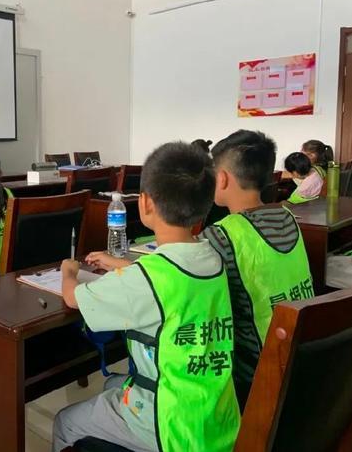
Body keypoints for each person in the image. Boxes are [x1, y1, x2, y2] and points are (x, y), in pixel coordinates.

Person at [53, 142, 239, 452]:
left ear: (145, 203)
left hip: (168, 425)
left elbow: (73, 299)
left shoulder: (148, 278)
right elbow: (170, 282)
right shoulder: (212, 257)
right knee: (114, 383)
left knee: (65, 421)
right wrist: (124, 266)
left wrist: (68, 272)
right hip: (215, 415)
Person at [202, 130, 313, 409]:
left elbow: (177, 277)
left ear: (222, 178)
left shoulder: (222, 235)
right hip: (301, 356)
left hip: (255, 379)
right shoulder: (287, 217)